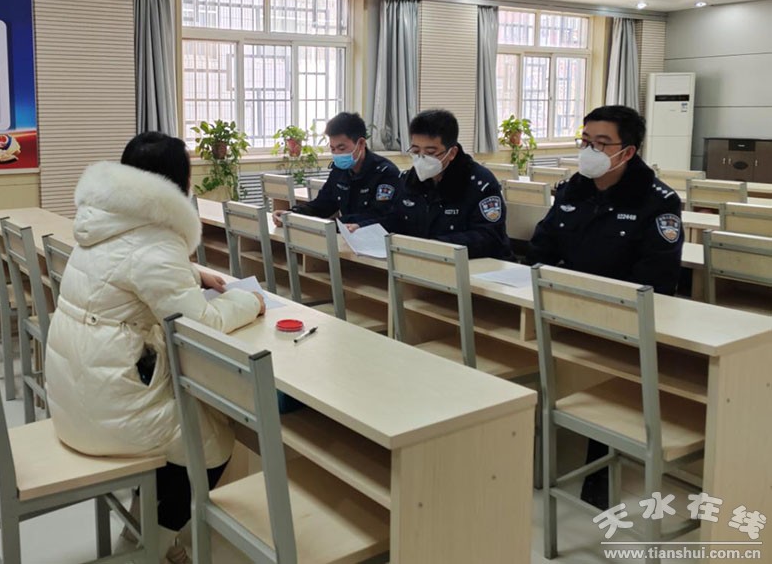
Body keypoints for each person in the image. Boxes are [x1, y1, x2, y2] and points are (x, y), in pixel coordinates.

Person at [45, 131, 266, 563]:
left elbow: (127, 266)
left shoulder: (101, 220)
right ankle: (151, 548)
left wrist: (189, 272)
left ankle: (145, 527)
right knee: (213, 443)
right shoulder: (156, 244)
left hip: (73, 395)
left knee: (186, 426)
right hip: (107, 411)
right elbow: (204, 323)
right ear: (177, 184)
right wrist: (249, 302)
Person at [528, 105, 684, 509]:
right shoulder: (574, 188)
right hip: (565, 304)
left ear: (627, 152)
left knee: (601, 372)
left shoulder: (658, 201)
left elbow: (657, 280)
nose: (590, 151)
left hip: (619, 318)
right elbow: (542, 245)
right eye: (585, 141)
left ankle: (599, 466)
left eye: (601, 144)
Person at [366, 109, 513, 260]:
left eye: (430, 152)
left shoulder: (480, 183)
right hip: (423, 260)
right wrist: (363, 228)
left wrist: (437, 246)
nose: (421, 158)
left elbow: (489, 237)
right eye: (416, 151)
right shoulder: (409, 180)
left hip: (475, 264)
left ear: (452, 153)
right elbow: (394, 219)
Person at [271, 111, 399, 227]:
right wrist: (292, 214)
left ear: (361, 144)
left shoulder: (385, 173)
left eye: (342, 148)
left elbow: (379, 216)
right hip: (346, 234)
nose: (337, 153)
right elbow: (322, 205)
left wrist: (336, 224)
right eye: (333, 149)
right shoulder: (339, 171)